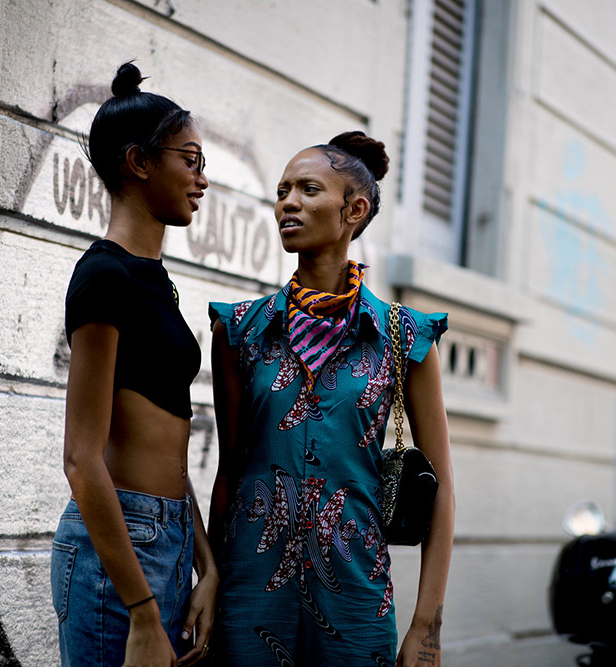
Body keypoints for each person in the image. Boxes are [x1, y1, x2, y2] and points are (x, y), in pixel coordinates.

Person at [207, 132, 455, 666]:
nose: (288, 202)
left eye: (308, 189)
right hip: (247, 600)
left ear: (354, 209)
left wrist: (426, 627)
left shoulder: (404, 336)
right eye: (282, 191)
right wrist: (205, 583)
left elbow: (443, 493)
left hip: (357, 605)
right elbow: (228, 475)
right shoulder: (241, 332)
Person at [50, 62, 218, 667]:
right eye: (191, 160)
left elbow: (166, 450)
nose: (202, 180)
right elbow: (81, 457)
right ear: (139, 162)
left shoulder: (154, 281)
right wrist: (143, 610)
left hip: (166, 538)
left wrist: (205, 563)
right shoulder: (104, 276)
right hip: (118, 554)